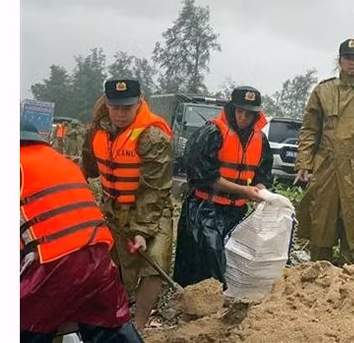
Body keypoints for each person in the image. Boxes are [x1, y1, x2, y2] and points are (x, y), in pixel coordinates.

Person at [21, 121, 143, 342]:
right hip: (98, 259)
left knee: (27, 325)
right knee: (111, 329)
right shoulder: (62, 162)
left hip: (51, 265)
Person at [80, 79, 174, 331]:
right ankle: (113, 318)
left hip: (153, 209)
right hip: (112, 208)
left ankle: (139, 326)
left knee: (153, 263)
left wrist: (142, 231)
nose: (121, 113)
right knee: (111, 265)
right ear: (107, 105)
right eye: (115, 107)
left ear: (139, 103)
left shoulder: (153, 136)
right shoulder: (96, 132)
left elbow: (154, 190)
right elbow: (86, 169)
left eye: (127, 108)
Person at [173, 86, 289, 288]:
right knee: (206, 261)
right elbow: (204, 176)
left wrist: (260, 190)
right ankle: (197, 303)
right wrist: (244, 191)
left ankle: (231, 299)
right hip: (204, 210)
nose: (244, 117)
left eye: (249, 113)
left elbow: (263, 175)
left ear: (256, 115)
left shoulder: (260, 140)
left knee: (235, 259)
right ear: (232, 109)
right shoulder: (212, 133)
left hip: (236, 211)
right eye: (240, 111)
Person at [294, 38, 354, 265]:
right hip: (327, 166)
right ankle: (318, 274)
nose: (352, 64)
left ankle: (351, 276)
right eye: (348, 58)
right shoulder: (323, 91)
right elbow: (309, 130)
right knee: (321, 224)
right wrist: (304, 163)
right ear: (340, 61)